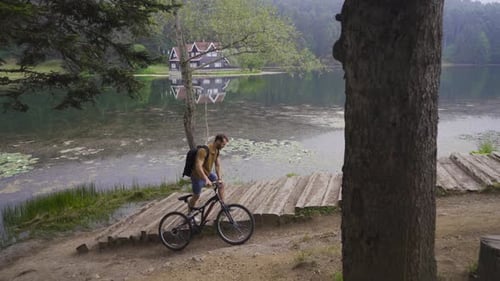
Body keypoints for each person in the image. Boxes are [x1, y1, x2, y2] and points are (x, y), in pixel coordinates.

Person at [188, 133, 229, 213]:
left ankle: (223, 208)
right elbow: (198, 167)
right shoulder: (203, 151)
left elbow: (217, 165)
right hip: (197, 176)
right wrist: (206, 179)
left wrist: (219, 178)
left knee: (221, 185)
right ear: (217, 141)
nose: (223, 146)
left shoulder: (216, 151)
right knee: (196, 196)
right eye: (223, 144)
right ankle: (189, 213)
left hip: (207, 173)